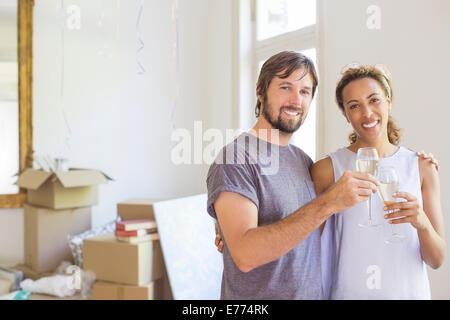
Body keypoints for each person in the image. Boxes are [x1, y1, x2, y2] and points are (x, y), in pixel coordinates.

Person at [210, 51, 440, 300]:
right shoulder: (235, 159)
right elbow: (246, 254)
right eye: (285, 87)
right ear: (260, 90)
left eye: (304, 91)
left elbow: (300, 227)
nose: (295, 100)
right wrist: (329, 202)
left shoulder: (300, 161)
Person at [313, 64, 446, 299]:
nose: (367, 113)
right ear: (346, 114)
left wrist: (421, 222)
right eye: (354, 106)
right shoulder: (326, 170)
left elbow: (437, 260)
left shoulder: (422, 167)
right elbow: (306, 250)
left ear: (389, 101)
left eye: (374, 100)